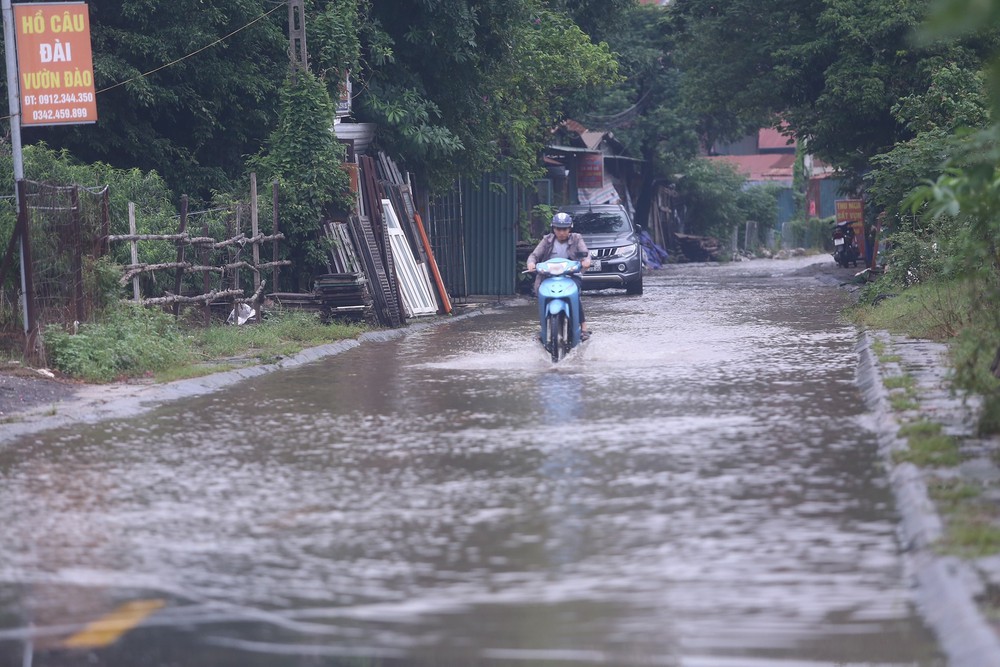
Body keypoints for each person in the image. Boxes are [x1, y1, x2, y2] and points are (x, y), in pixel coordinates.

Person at [526, 212, 592, 339]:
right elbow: (534, 255)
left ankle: (583, 327)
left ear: (570, 228)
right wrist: (531, 263)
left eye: (564, 229)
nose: (561, 232)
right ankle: (543, 328)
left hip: (571, 275)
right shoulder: (547, 240)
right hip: (548, 277)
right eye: (558, 229)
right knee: (540, 294)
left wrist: (586, 261)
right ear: (553, 228)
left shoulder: (577, 238)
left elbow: (585, 253)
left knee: (575, 295)